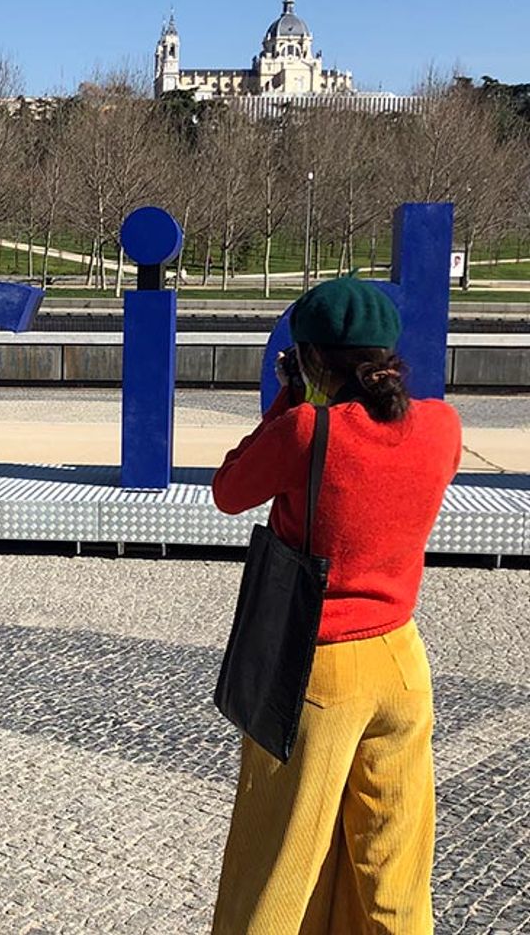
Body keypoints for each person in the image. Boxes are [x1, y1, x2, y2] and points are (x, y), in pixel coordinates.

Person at [209, 277, 462, 934]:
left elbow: (230, 490)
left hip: (316, 674)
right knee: (392, 863)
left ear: (313, 360)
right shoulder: (442, 426)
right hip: (403, 664)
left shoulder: (305, 431)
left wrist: (290, 397)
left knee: (281, 859)